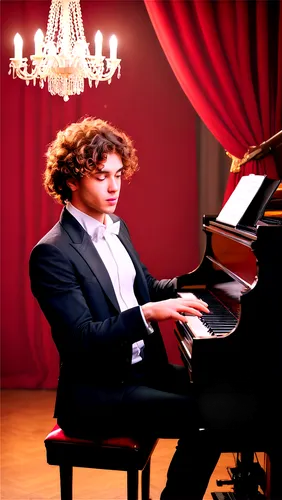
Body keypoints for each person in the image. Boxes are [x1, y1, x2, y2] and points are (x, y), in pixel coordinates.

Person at [29, 116, 220, 500]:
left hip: (142, 372)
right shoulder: (51, 253)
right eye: (101, 176)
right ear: (71, 179)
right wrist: (150, 313)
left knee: (224, 393)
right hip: (96, 393)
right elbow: (81, 339)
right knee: (206, 419)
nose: (114, 186)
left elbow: (145, 288)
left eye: (118, 173)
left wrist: (198, 285)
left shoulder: (117, 226)